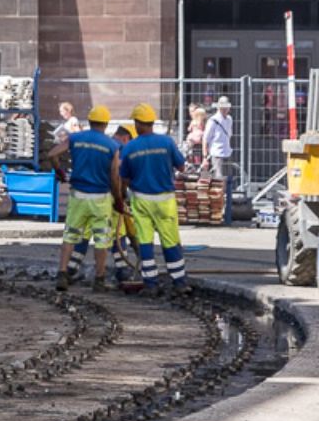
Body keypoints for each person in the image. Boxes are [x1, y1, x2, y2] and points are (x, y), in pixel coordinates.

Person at [43, 104, 123, 292]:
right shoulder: (112, 145)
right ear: (106, 123)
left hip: (78, 195)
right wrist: (118, 199)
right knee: (102, 240)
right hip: (101, 198)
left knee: (70, 236)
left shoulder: (75, 138)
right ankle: (100, 279)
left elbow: (52, 154)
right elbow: (114, 176)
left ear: (90, 121)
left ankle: (62, 274)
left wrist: (59, 172)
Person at [118, 103, 190, 294]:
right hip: (165, 200)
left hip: (141, 201)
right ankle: (179, 282)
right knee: (171, 241)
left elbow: (124, 177)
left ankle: (151, 283)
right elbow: (182, 167)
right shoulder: (166, 142)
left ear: (139, 124)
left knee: (145, 241)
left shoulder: (130, 147)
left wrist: (121, 197)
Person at [202, 97, 235, 226]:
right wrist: (205, 157)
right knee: (219, 184)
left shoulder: (229, 120)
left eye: (227, 107)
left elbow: (229, 135)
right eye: (224, 107)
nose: (226, 109)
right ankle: (217, 215)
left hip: (227, 152)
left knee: (228, 184)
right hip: (217, 154)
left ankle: (226, 214)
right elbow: (206, 139)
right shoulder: (213, 121)